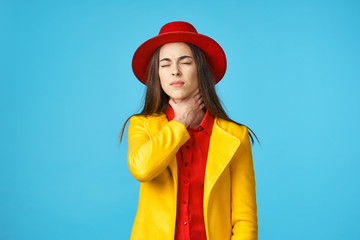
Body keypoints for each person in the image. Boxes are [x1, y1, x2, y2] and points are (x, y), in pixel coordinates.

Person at [119, 21, 258, 240]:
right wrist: (180, 121)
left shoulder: (235, 136)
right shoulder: (141, 124)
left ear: (200, 69)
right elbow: (142, 169)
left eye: (185, 62)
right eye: (165, 65)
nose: (175, 71)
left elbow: (244, 218)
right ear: (158, 75)